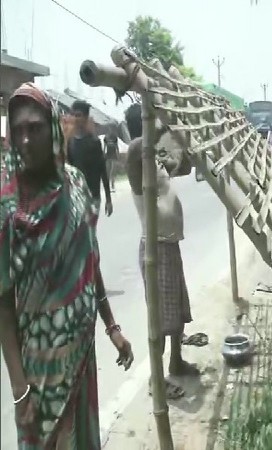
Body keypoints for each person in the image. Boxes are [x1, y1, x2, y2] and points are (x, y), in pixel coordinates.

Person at [0, 83, 134, 450]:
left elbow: (90, 260)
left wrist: (112, 326)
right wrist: (18, 388)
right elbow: (3, 302)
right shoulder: (7, 205)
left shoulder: (74, 183)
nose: (26, 140)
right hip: (38, 372)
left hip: (80, 357)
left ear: (53, 128)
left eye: (35, 128)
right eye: (19, 130)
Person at [124, 103, 200, 400]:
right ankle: (157, 380)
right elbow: (133, 148)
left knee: (176, 312)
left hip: (168, 245)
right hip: (155, 248)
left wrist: (180, 142)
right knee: (159, 318)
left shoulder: (152, 160)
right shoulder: (135, 160)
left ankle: (176, 361)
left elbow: (184, 166)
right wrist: (161, 125)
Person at [67, 100, 113, 217]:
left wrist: (108, 199)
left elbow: (102, 170)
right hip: (76, 197)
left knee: (90, 232)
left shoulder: (94, 142)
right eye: (72, 115)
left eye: (78, 115)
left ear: (86, 118)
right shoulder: (69, 142)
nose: (75, 118)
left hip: (93, 197)